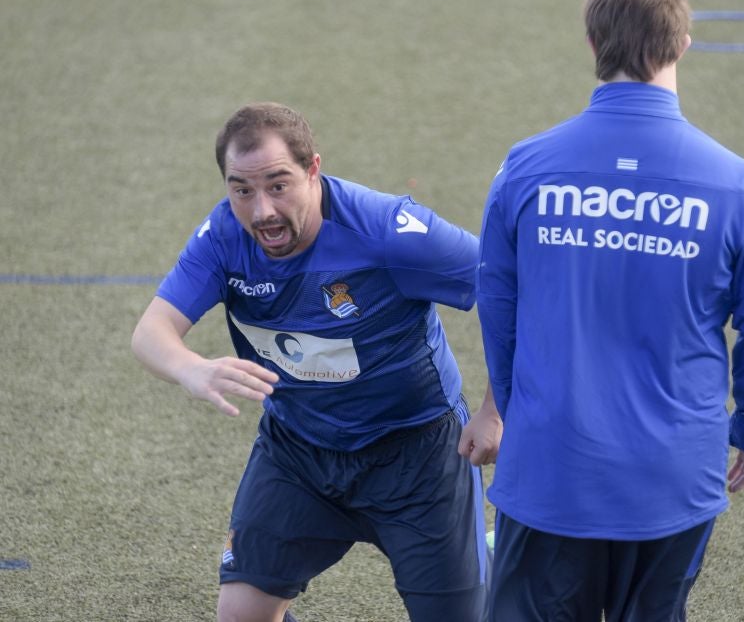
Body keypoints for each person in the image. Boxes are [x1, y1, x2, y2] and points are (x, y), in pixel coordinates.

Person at [476, 0, 744, 622]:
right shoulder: (736, 184)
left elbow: (498, 311)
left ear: (594, 45)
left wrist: (521, 412)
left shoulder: (525, 166)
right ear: (681, 45)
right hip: (672, 481)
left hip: (551, 469)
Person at [131, 102, 501, 622]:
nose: (261, 211)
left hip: (416, 458)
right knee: (240, 615)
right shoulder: (222, 238)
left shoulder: (386, 228)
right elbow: (151, 333)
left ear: (313, 170)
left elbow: (507, 290)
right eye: (242, 190)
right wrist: (190, 367)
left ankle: (486, 548)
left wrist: (494, 410)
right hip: (298, 454)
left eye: (278, 185)